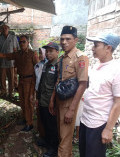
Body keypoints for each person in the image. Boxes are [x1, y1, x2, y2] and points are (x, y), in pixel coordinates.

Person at [0, 35, 39, 132]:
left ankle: (30, 123)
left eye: (23, 42)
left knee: (28, 102)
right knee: (22, 101)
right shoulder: (17, 54)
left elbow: (38, 69)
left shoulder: (32, 54)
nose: (21, 44)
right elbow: (4, 56)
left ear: (28, 43)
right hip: (21, 80)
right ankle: (25, 119)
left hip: (29, 81)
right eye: (20, 42)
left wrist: (35, 86)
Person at [49, 26, 89, 157]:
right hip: (60, 101)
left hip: (70, 103)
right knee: (62, 135)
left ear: (76, 40)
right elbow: (58, 81)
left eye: (68, 39)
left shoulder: (80, 57)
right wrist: (52, 100)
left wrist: (72, 110)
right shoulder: (62, 58)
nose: (64, 42)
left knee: (65, 138)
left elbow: (83, 84)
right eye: (62, 39)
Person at [79, 33, 120, 157]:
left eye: (96, 45)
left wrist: (108, 129)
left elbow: (118, 102)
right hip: (85, 120)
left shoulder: (116, 70)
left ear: (108, 48)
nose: (92, 48)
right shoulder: (96, 65)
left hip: (98, 125)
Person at [36, 42, 59, 157]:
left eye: (51, 51)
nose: (48, 53)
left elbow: (57, 85)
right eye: (47, 51)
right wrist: (38, 98)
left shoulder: (58, 66)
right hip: (43, 100)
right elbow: (41, 83)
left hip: (51, 102)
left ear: (57, 52)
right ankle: (46, 141)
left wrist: (53, 102)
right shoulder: (46, 65)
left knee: (52, 126)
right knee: (45, 123)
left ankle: (53, 149)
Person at [0, 23, 19, 97]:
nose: (4, 29)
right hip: (2, 61)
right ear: (1, 30)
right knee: (2, 78)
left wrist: (16, 61)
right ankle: (3, 92)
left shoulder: (13, 37)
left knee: (11, 78)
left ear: (8, 29)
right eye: (3, 28)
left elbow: (16, 49)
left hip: (11, 62)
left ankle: (11, 92)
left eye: (6, 28)